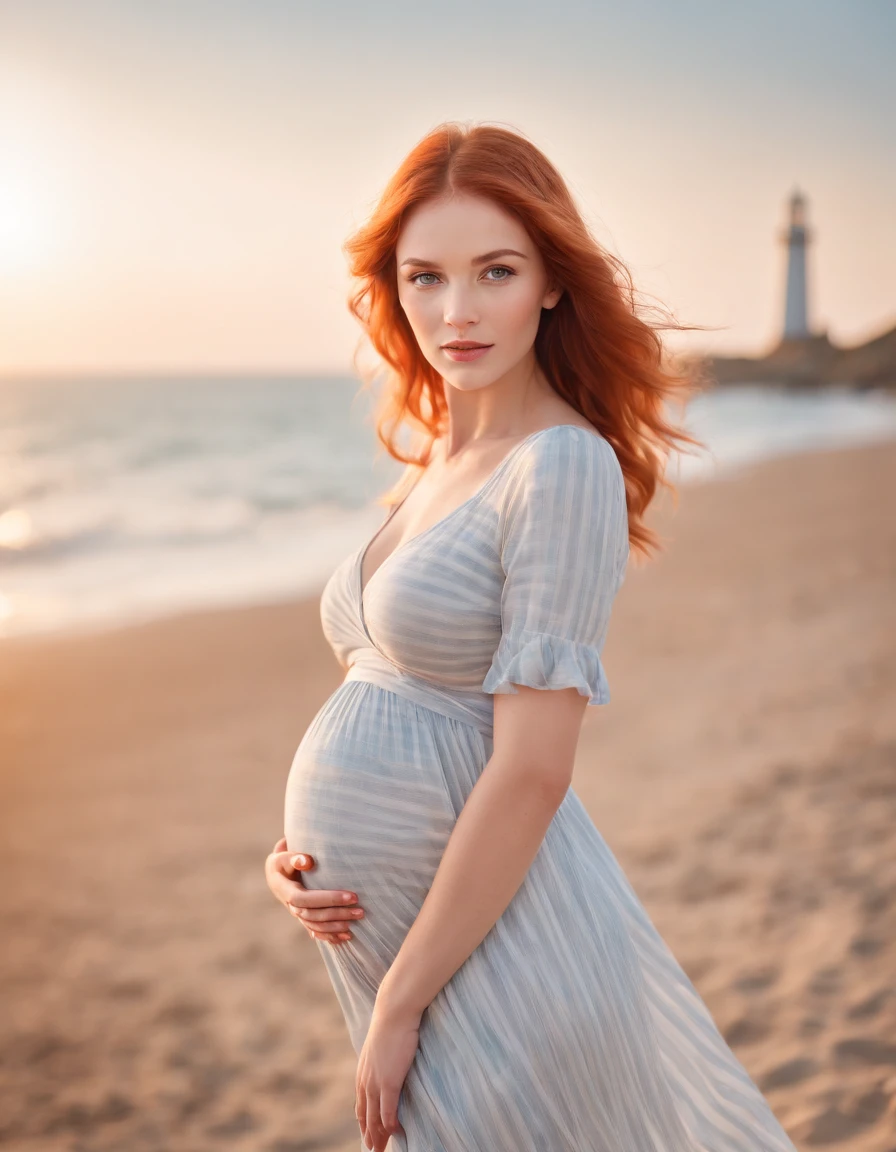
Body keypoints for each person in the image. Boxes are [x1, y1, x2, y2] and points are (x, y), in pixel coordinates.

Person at [264, 121, 797, 1152]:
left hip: (501, 959)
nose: (454, 311)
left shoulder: (559, 466)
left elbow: (532, 771)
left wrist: (402, 1005)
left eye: (493, 272)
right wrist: (293, 857)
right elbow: (391, 693)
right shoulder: (435, 465)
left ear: (551, 281)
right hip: (415, 955)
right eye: (424, 277)